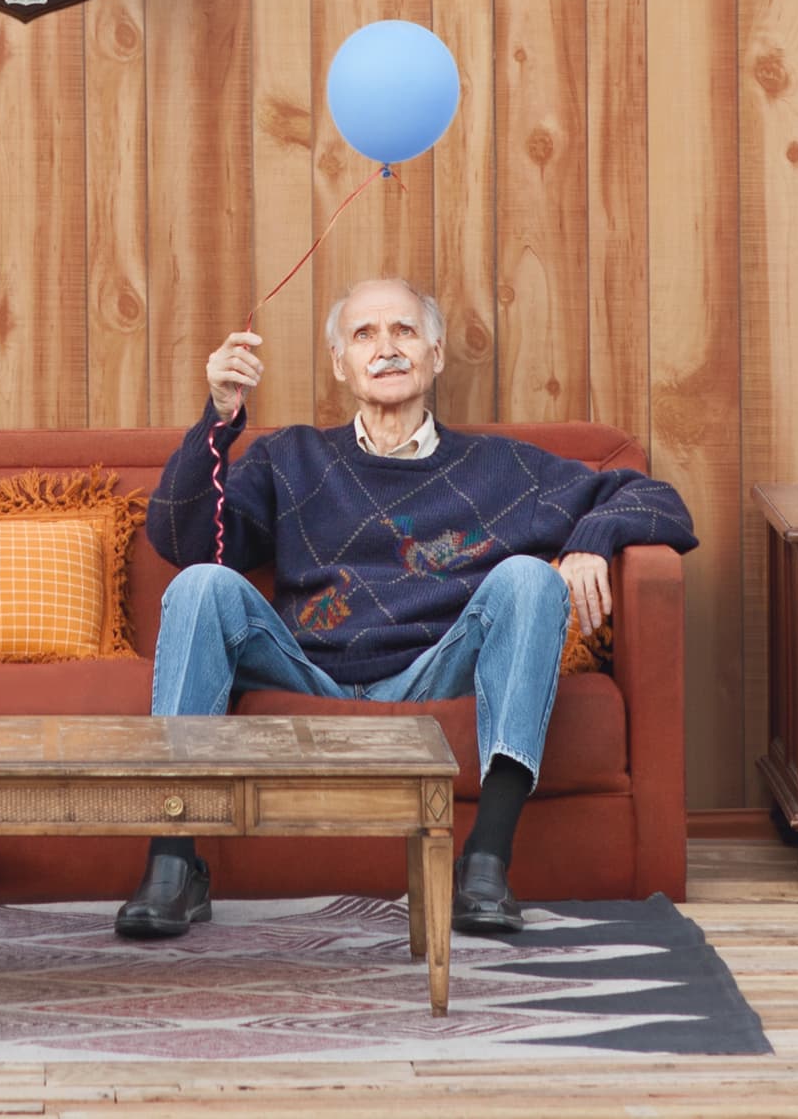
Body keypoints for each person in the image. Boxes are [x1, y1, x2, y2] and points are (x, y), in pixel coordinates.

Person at [118, 278, 696, 940]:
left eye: (404, 331)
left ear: (437, 354)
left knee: (532, 579)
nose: (386, 348)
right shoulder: (290, 457)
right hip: (304, 665)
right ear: (340, 363)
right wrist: (217, 417)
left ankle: (484, 862)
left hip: (430, 668)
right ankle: (172, 860)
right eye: (365, 334)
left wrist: (592, 540)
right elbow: (180, 541)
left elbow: (657, 499)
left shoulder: (503, 468)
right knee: (200, 586)